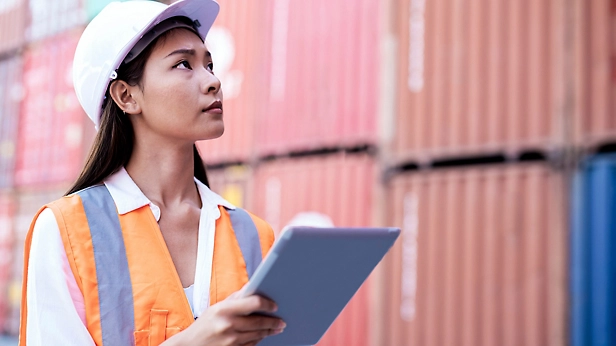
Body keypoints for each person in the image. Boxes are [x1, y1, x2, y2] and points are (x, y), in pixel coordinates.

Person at [18, 1, 285, 345]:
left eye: (210, 64)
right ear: (126, 96)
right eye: (184, 64)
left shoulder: (254, 235)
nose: (213, 81)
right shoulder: (65, 231)